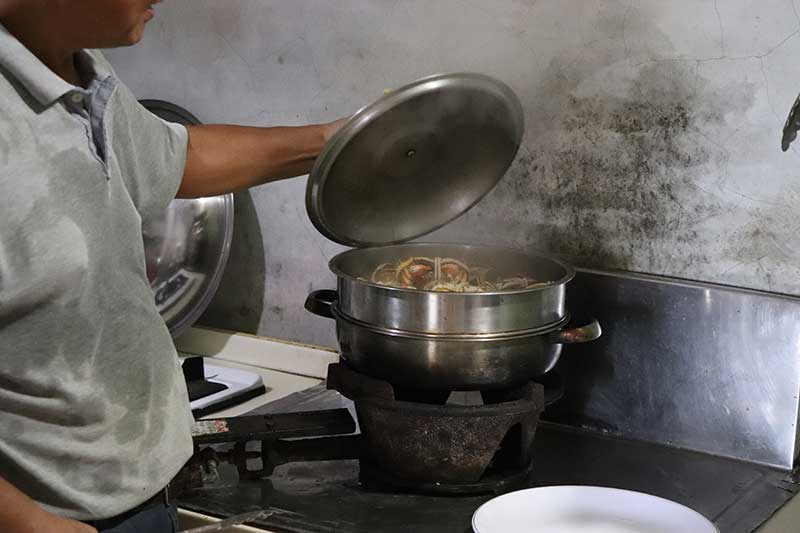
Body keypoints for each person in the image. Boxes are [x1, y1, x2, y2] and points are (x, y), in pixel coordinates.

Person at [0, 1, 345, 531]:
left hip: (142, 487)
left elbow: (177, 158)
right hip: (55, 516)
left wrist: (337, 141)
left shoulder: (74, 67)